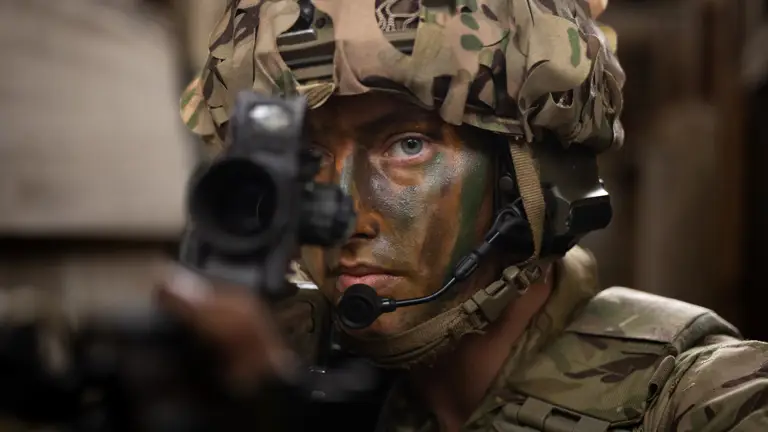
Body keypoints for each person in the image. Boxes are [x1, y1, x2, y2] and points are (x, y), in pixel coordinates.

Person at [165, 0, 768, 430]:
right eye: (310, 155)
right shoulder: (280, 373)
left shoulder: (697, 400)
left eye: (407, 145)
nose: (343, 215)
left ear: (532, 183)